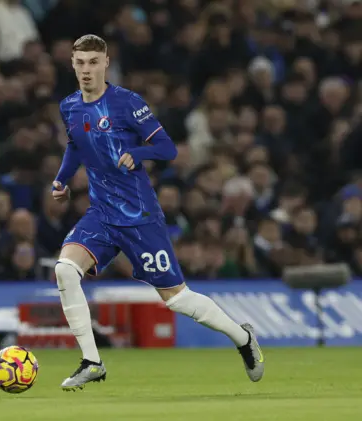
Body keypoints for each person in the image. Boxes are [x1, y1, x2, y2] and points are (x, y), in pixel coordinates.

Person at [52, 35, 264, 391]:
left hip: (139, 216)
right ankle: (92, 361)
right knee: (64, 270)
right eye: (80, 63)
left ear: (106, 63)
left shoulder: (126, 102)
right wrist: (61, 179)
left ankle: (242, 338)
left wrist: (138, 153)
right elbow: (75, 145)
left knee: (178, 300)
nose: (86, 69)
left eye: (93, 62)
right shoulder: (70, 106)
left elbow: (166, 148)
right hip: (101, 214)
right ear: (72, 65)